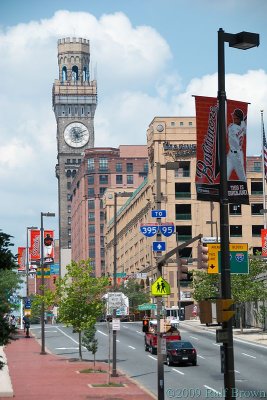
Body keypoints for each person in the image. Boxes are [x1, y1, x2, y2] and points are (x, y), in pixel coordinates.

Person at [227, 108, 247, 182]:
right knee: (224, 176)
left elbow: (235, 141)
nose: (233, 118)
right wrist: (242, 124)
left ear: (238, 119)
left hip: (237, 154)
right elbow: (244, 130)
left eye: (235, 117)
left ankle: (244, 191)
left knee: (242, 178)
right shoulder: (243, 124)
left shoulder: (232, 128)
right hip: (231, 153)